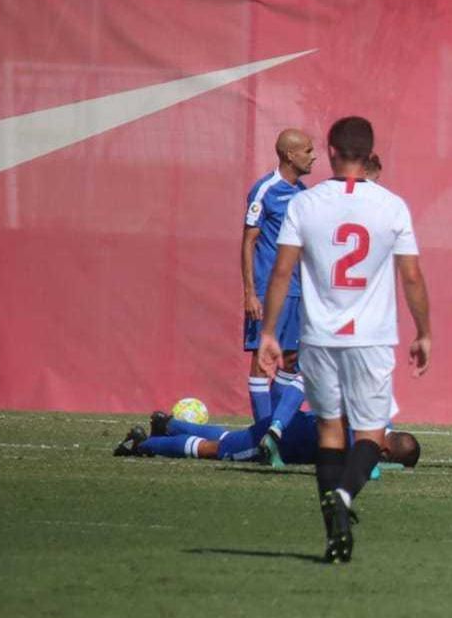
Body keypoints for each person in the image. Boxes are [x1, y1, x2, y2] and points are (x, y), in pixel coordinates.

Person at [259, 116, 431, 563]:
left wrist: (269, 333)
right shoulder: (392, 206)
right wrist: (424, 331)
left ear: (332, 151)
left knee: (329, 432)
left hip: (318, 337)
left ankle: (335, 536)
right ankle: (347, 498)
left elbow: (281, 271)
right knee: (370, 435)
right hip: (371, 338)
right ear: (370, 151)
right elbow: (411, 275)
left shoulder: (305, 204)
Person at [241, 129, 316, 440]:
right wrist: (250, 293)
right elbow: (248, 242)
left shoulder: (304, 193)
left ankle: (276, 432)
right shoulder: (264, 190)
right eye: (308, 150)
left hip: (298, 290)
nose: (314, 156)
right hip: (268, 291)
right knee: (262, 360)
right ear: (290, 155)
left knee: (292, 360)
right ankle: (263, 433)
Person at [115, 408, 420, 469]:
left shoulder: (378, 416)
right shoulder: (363, 443)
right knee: (216, 450)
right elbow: (371, 470)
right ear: (384, 452)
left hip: (287, 418)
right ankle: (143, 445)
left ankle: (169, 425)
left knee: (232, 437)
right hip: (282, 441)